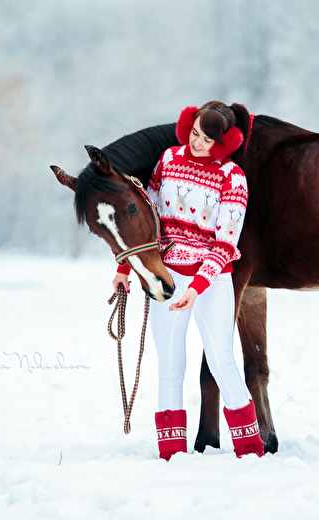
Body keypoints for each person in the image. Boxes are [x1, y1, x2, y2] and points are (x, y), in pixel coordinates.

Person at [113, 101, 264, 460]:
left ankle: (250, 450)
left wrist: (196, 287)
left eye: (207, 139)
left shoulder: (233, 178)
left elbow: (225, 244)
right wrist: (125, 268)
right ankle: (171, 453)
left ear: (223, 142)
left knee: (222, 360)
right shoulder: (167, 160)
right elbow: (146, 222)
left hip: (210, 280)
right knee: (169, 365)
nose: (197, 143)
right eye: (195, 133)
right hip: (166, 275)